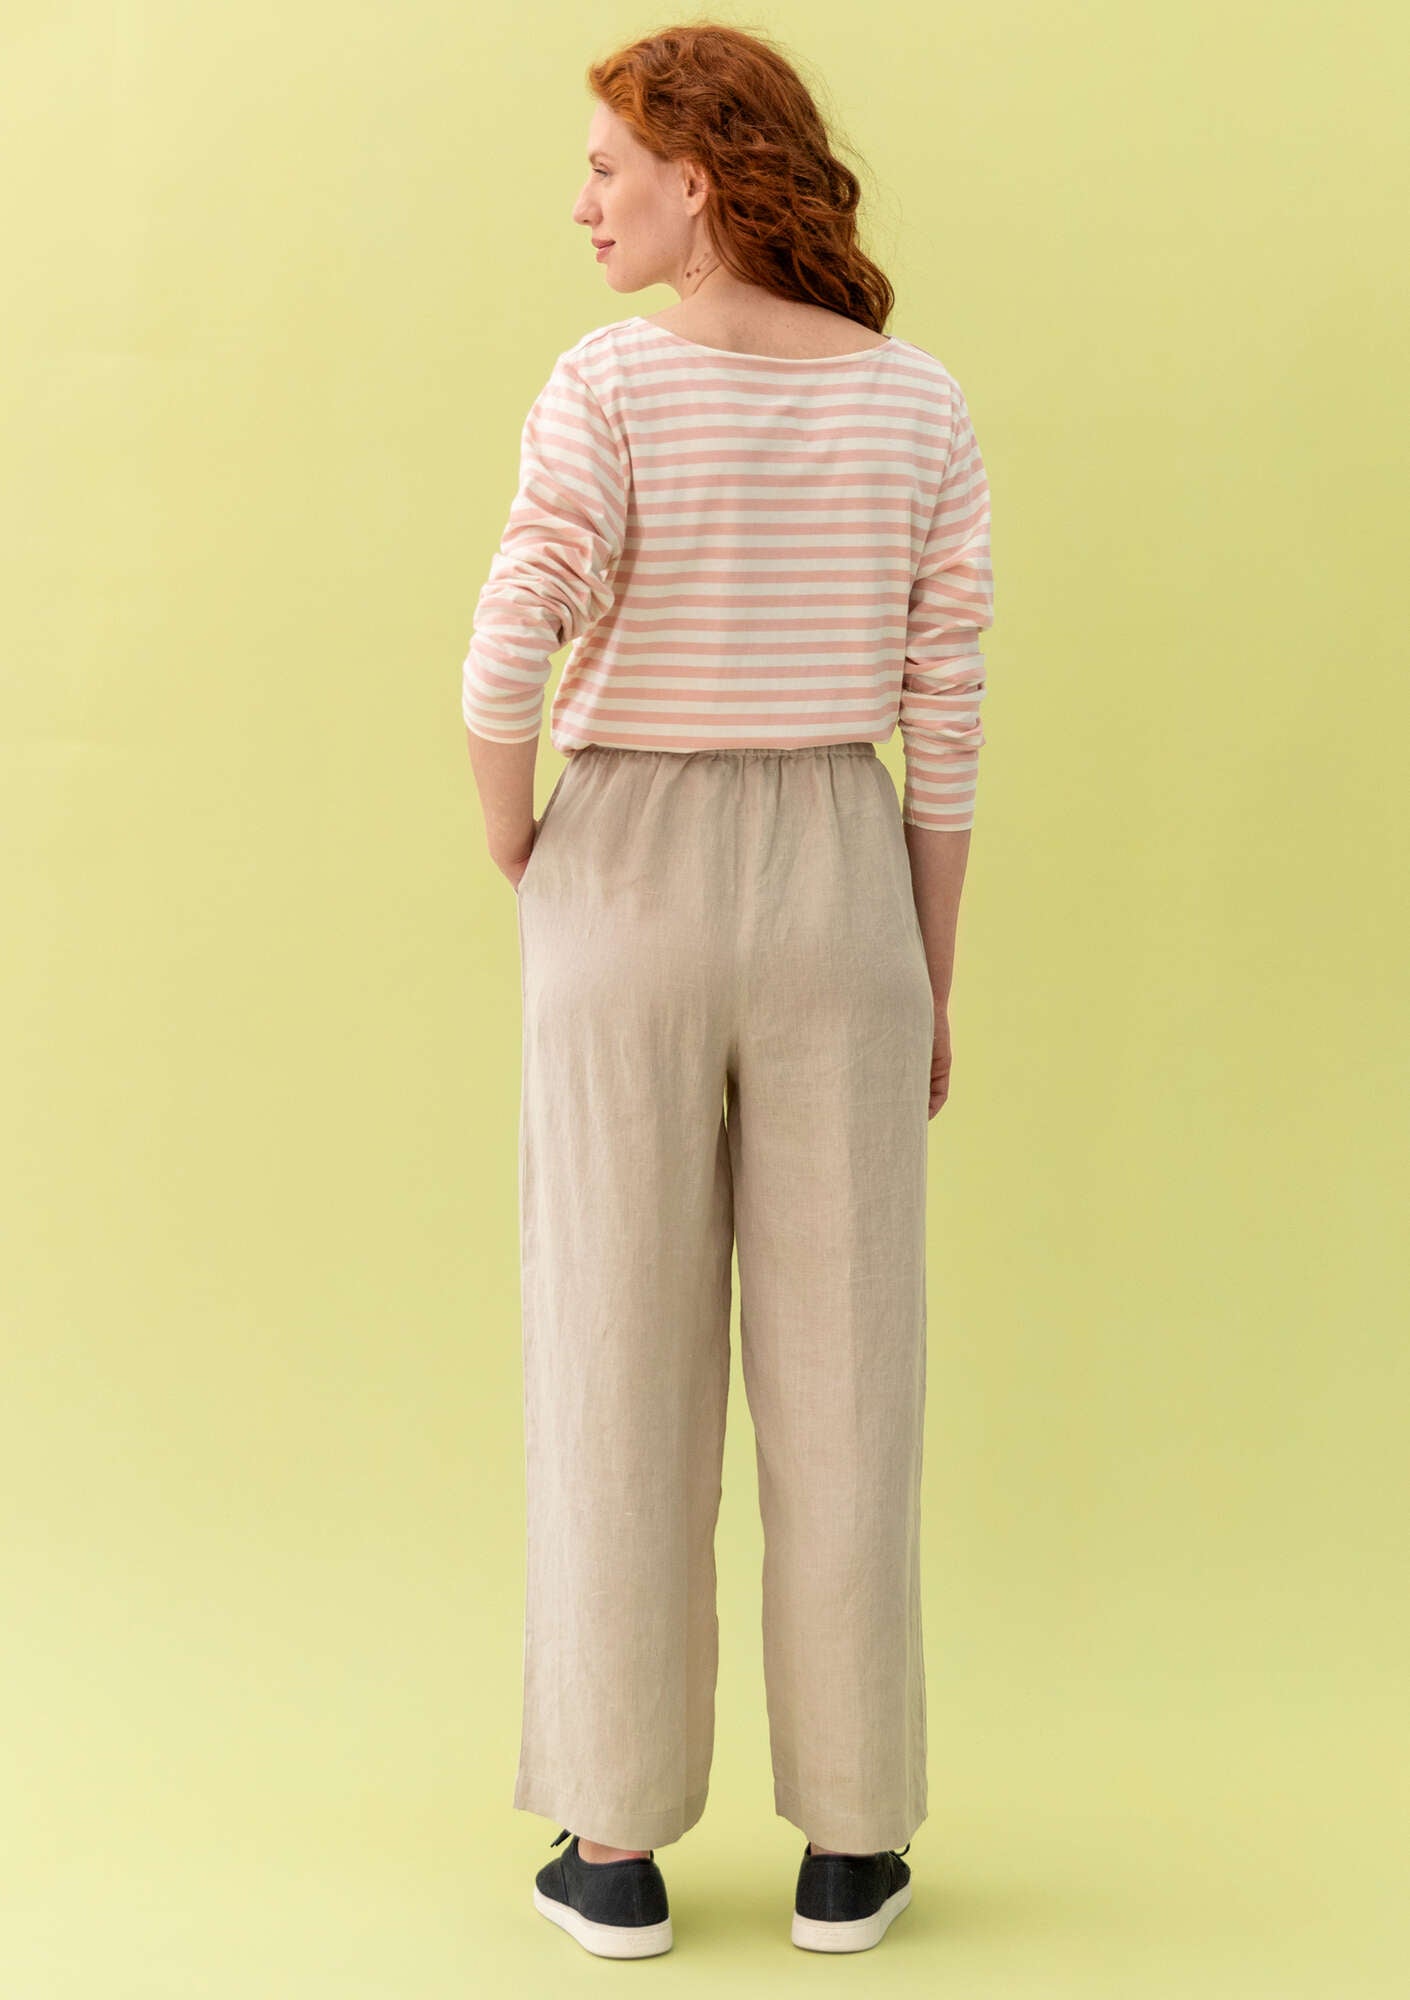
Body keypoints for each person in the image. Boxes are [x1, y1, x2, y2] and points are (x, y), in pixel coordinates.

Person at [460, 21, 993, 1959]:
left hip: (626, 874)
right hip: (842, 879)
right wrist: (927, 972)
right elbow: (947, 713)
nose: (582, 201)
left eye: (609, 165)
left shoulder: (606, 387)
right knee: (850, 1373)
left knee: (616, 1350)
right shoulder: (916, 403)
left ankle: (613, 1849)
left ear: (699, 179)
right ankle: (852, 1845)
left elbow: (503, 643)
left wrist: (522, 843)